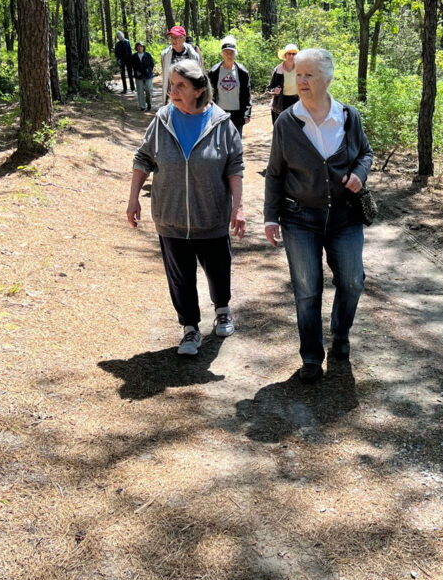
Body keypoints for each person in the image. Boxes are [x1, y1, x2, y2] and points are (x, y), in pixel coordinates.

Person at [264, 47, 373, 383]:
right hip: (299, 218)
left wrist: (359, 174)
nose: (302, 80)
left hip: (344, 217)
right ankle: (311, 357)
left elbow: (365, 154)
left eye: (310, 74)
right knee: (307, 289)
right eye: (299, 74)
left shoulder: (348, 116)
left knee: (353, 280)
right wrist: (271, 217)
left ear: (327, 78)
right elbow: (275, 173)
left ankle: (340, 333)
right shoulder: (287, 121)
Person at [126, 58, 245, 355]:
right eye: (171, 85)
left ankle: (222, 309)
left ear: (198, 89)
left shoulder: (221, 123)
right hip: (170, 217)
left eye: (181, 86)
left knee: (218, 270)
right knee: (180, 277)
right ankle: (190, 329)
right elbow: (143, 159)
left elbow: (234, 166)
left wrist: (238, 207)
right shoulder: (162, 120)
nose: (173, 91)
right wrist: (133, 199)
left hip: (211, 216)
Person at [208, 36, 252, 136]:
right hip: (219, 112)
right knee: (219, 141)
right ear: (222, 54)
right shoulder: (214, 72)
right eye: (226, 53)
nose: (229, 55)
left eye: (231, 52)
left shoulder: (242, 72)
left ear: (235, 53)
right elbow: (209, 94)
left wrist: (247, 113)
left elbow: (247, 93)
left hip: (237, 113)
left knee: (236, 142)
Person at [159, 25, 201, 103]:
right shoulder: (165, 54)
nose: (173, 40)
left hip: (188, 95)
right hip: (172, 95)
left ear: (183, 38)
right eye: (172, 37)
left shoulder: (193, 55)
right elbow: (165, 77)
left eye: (176, 37)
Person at [268, 43, 300, 124]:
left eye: (294, 54)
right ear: (285, 56)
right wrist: (274, 90)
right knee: (281, 126)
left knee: (295, 126)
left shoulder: (300, 68)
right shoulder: (278, 70)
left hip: (297, 100)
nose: (291, 56)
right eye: (289, 54)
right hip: (281, 101)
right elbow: (270, 87)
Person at [132, 42, 155, 112]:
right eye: (138, 46)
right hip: (139, 76)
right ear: (136, 48)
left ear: (143, 47)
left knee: (149, 89)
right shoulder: (134, 56)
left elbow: (152, 64)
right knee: (140, 91)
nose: (140, 48)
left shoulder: (148, 55)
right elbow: (132, 65)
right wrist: (136, 71)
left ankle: (149, 103)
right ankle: (142, 106)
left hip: (148, 75)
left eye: (141, 46)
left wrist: (149, 70)